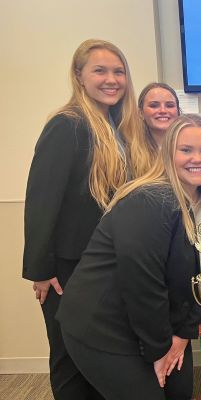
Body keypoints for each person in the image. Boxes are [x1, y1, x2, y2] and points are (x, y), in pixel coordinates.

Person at [56, 114, 201, 400]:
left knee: (180, 390)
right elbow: (142, 282)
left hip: (151, 322)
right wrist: (159, 348)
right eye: (185, 150)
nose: (197, 158)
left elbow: (190, 278)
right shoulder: (150, 199)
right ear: (167, 153)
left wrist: (182, 335)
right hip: (103, 326)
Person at [22, 38, 153, 399]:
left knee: (101, 358)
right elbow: (41, 200)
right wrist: (40, 270)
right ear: (79, 76)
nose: (112, 79)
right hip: (68, 269)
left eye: (119, 71)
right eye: (100, 70)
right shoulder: (67, 125)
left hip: (106, 263)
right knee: (69, 358)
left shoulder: (121, 128)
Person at [138, 82, 181, 149]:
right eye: (154, 106)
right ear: (141, 113)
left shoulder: (191, 145)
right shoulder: (128, 151)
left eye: (169, 106)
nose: (163, 111)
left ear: (178, 111)